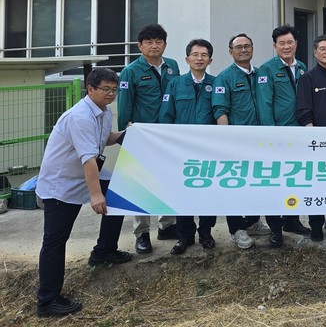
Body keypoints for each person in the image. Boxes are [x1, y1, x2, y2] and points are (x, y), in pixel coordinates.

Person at [36, 68, 131, 317]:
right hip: (61, 185)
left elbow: (103, 139)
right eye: (106, 89)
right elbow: (88, 159)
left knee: (119, 191)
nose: (111, 94)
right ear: (90, 89)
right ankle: (47, 301)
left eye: (114, 90)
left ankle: (104, 251)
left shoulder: (104, 112)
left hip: (83, 174)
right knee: (55, 241)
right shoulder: (80, 117)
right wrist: (96, 195)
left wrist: (125, 135)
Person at [117, 23, 180, 254]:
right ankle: (142, 233)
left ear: (165, 44)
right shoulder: (131, 71)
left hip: (167, 134)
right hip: (142, 135)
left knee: (167, 178)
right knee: (141, 184)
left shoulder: (172, 66)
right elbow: (124, 104)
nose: (154, 46)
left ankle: (167, 225)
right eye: (149, 42)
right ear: (140, 46)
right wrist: (126, 130)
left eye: (158, 41)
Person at [159, 39, 218, 254]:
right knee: (182, 192)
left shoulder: (217, 83)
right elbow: (166, 115)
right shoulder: (175, 84)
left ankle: (206, 232)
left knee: (207, 192)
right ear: (187, 59)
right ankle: (185, 235)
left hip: (208, 149)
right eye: (195, 54)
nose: (199, 58)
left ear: (210, 60)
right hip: (181, 150)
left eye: (204, 55)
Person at [258, 25, 310, 240]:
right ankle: (275, 228)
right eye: (282, 43)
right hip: (278, 134)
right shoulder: (266, 70)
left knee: (294, 179)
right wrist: (271, 135)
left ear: (296, 44)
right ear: (275, 46)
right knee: (275, 182)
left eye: (290, 42)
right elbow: (264, 104)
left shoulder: (302, 67)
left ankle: (292, 220)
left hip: (299, 133)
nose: (286, 46)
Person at [212, 33, 264, 249]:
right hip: (237, 142)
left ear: (252, 49)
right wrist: (227, 141)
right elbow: (220, 110)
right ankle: (236, 229)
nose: (243, 50)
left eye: (247, 46)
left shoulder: (261, 74)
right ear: (230, 52)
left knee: (256, 182)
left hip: (260, 140)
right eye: (239, 47)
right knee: (233, 185)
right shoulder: (224, 78)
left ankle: (252, 222)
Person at [296, 34, 326, 241]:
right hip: (317, 141)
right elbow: (303, 108)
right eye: (322, 49)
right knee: (317, 183)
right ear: (315, 53)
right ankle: (315, 224)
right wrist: (312, 134)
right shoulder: (307, 78)